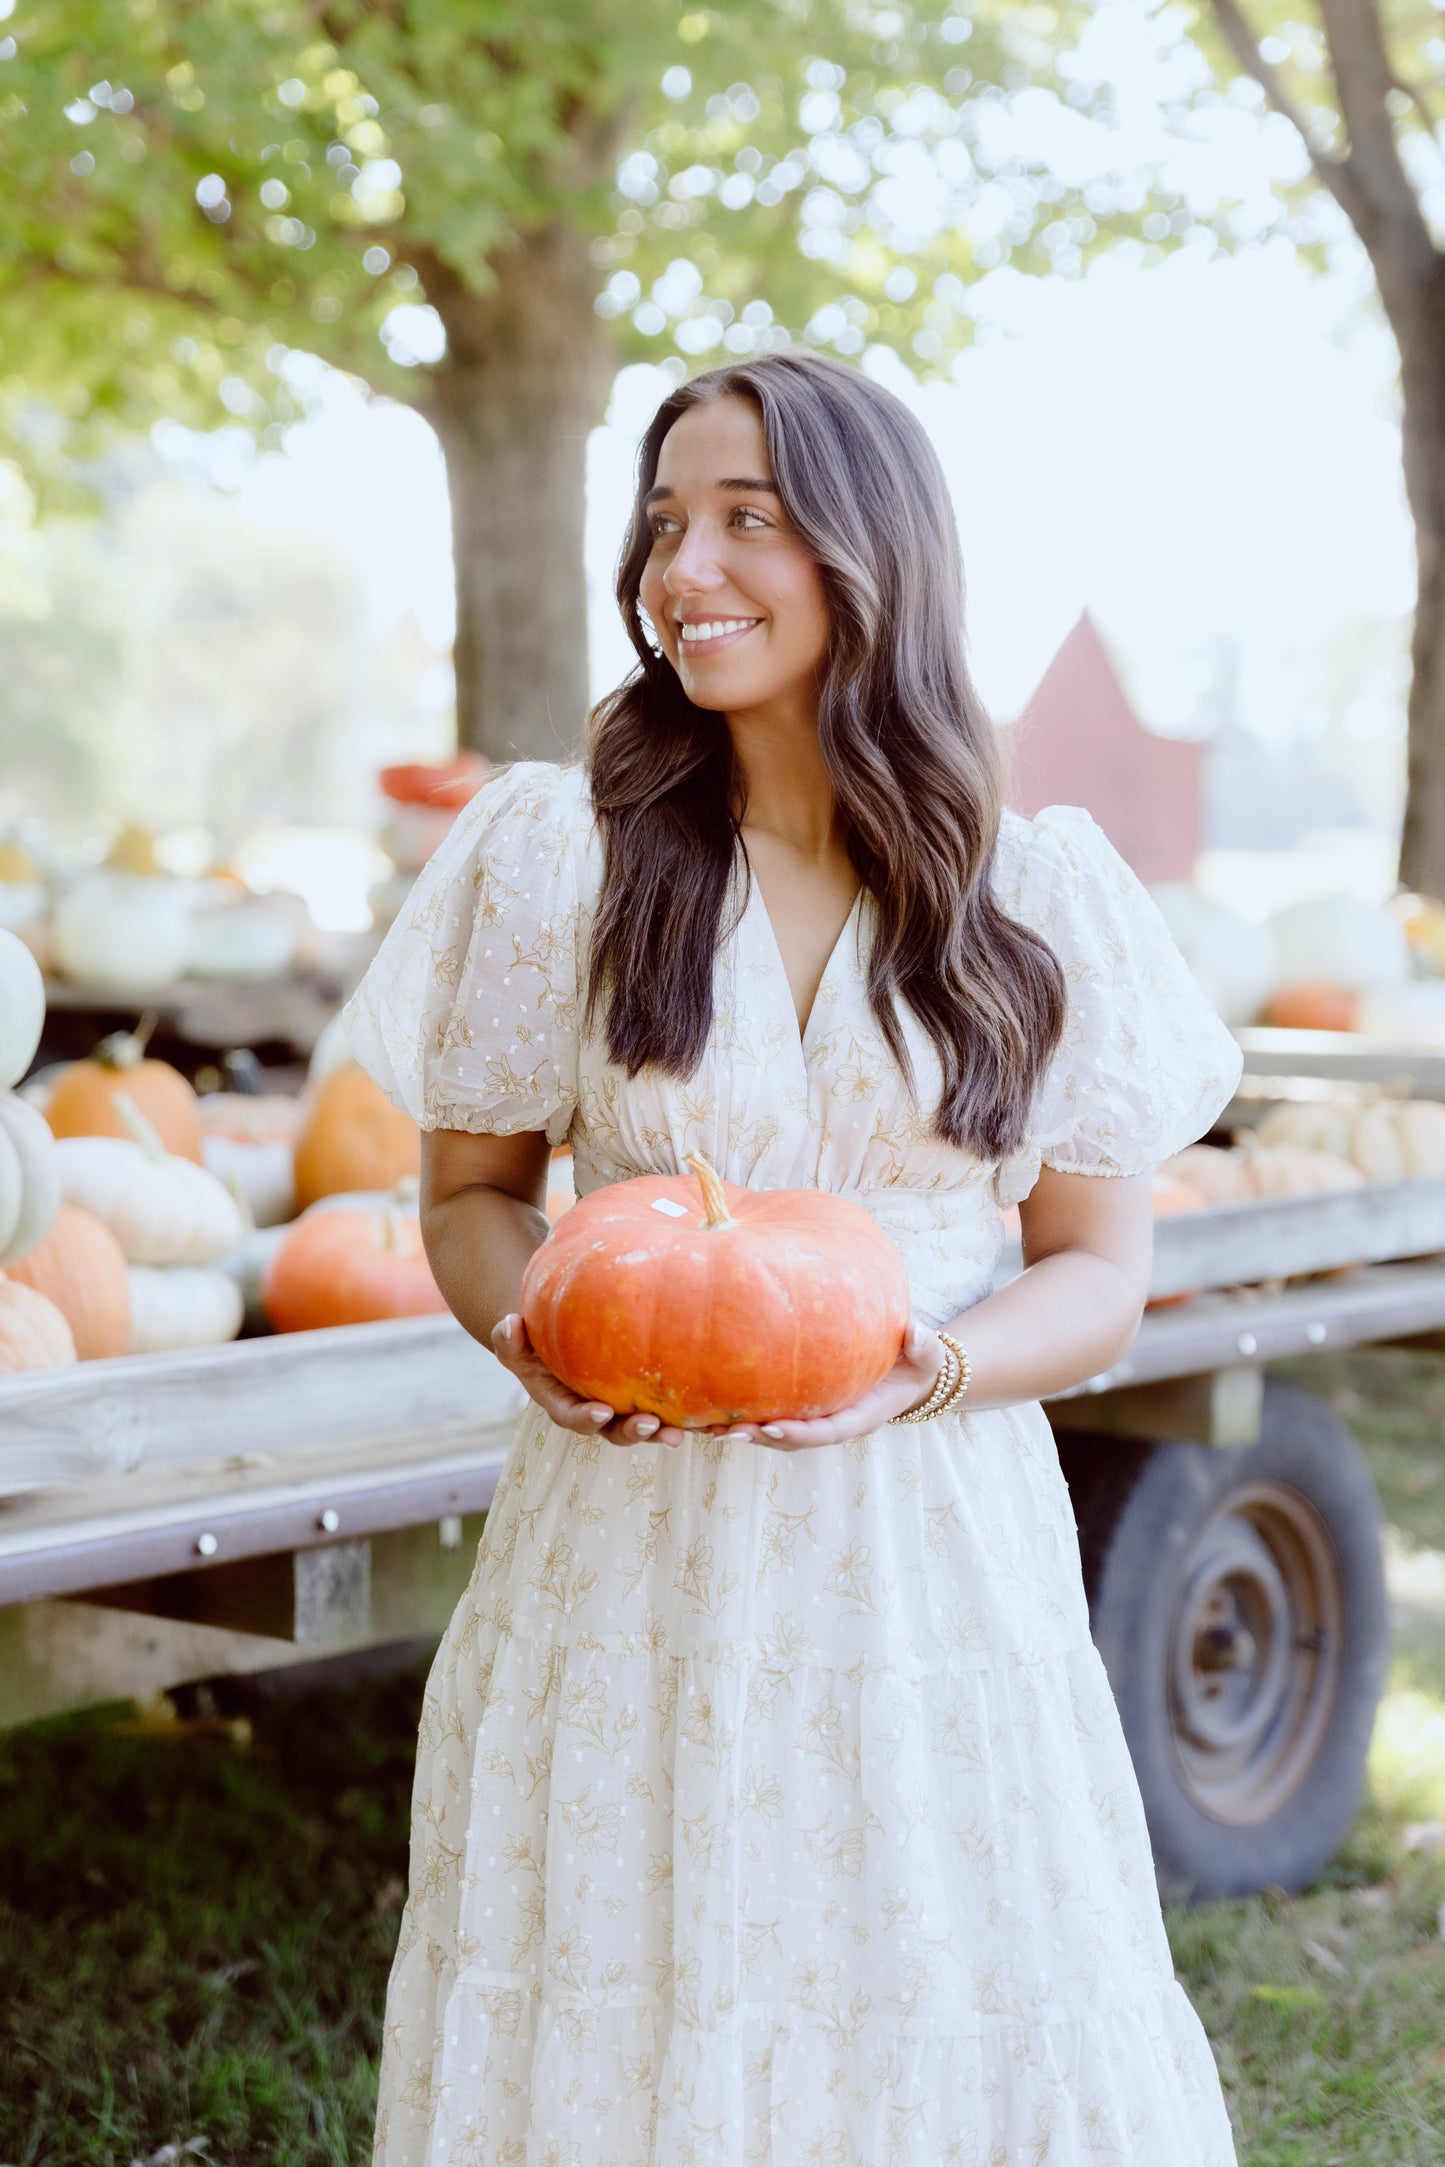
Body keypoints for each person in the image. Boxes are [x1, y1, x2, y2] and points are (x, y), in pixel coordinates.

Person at [346, 349, 1242, 2165]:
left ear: (872, 552)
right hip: (624, 1546)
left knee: (921, 1966)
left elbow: (1092, 1270)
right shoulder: (563, 854)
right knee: (625, 1963)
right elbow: (469, 1197)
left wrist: (922, 1368)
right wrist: (530, 1325)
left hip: (924, 1551)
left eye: (748, 519)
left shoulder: (1034, 892)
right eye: (666, 523)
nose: (688, 569)